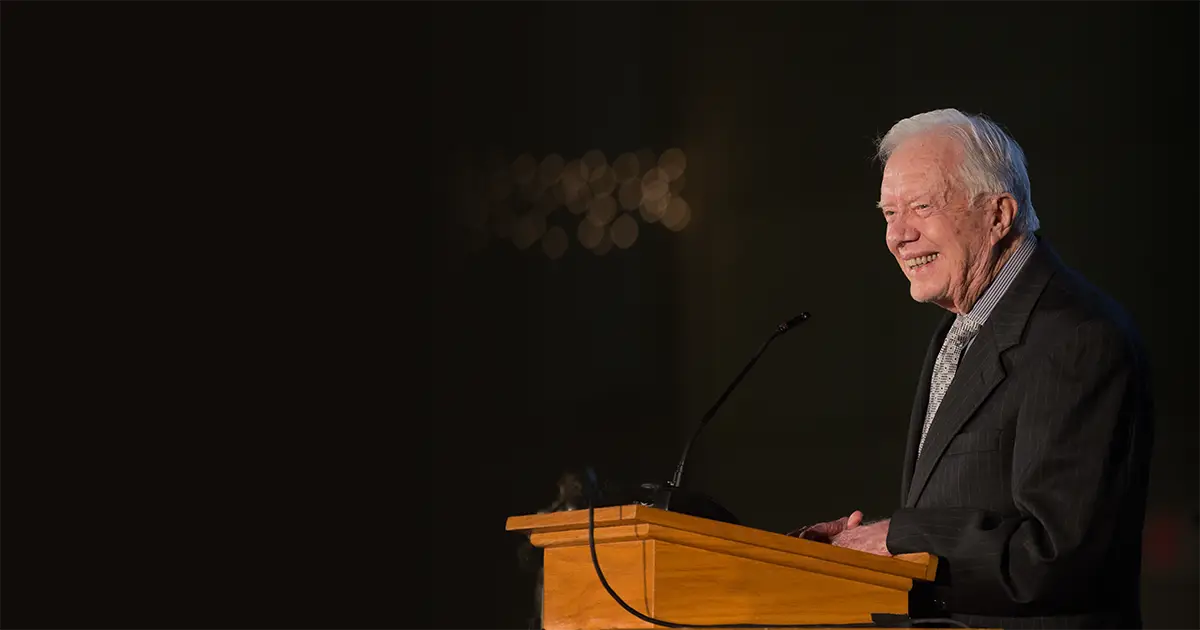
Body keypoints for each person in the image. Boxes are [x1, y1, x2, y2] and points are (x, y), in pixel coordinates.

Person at [792, 109, 1155, 630]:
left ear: (999, 215)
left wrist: (902, 537)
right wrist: (866, 546)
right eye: (887, 213)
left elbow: (1056, 554)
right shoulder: (961, 327)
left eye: (921, 206)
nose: (898, 236)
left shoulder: (1078, 339)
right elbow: (970, 510)